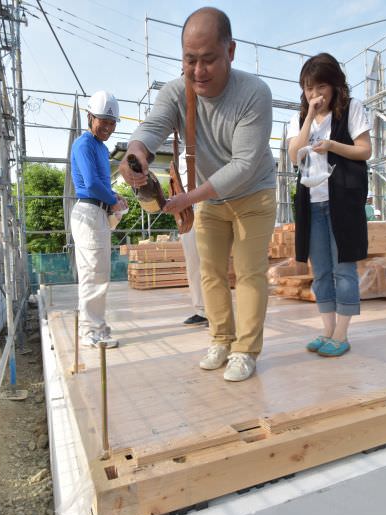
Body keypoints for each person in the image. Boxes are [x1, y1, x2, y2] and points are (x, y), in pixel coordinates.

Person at [120, 7, 276, 382]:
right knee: (210, 273)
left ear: (231, 52)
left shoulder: (254, 93)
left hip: (254, 194)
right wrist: (136, 151)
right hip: (210, 198)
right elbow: (154, 125)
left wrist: (188, 199)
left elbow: (243, 165)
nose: (198, 71)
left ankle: (246, 350)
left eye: (209, 60)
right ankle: (221, 339)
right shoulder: (177, 92)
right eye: (190, 60)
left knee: (251, 273)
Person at [287, 52, 372, 357]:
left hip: (342, 201)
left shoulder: (352, 109)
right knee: (321, 270)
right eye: (309, 88)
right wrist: (309, 117)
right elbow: (294, 154)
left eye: (321, 87)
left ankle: (342, 334)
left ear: (335, 85)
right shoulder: (300, 118)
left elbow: (365, 150)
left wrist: (333, 145)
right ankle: (326, 330)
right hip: (312, 203)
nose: (315, 94)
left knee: (343, 268)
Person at [70, 90, 128, 349]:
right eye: (103, 120)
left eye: (112, 122)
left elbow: (101, 184)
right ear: (90, 116)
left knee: (99, 274)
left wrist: (114, 196)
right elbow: (91, 183)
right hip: (89, 212)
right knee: (93, 275)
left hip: (97, 213)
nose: (107, 127)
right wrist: (112, 199)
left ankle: (97, 327)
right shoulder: (84, 144)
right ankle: (90, 332)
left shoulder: (101, 148)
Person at [178, 151, 208, 327]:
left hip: (208, 208)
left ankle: (216, 312)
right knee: (193, 264)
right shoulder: (182, 155)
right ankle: (201, 310)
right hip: (188, 213)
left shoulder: (210, 147)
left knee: (210, 264)